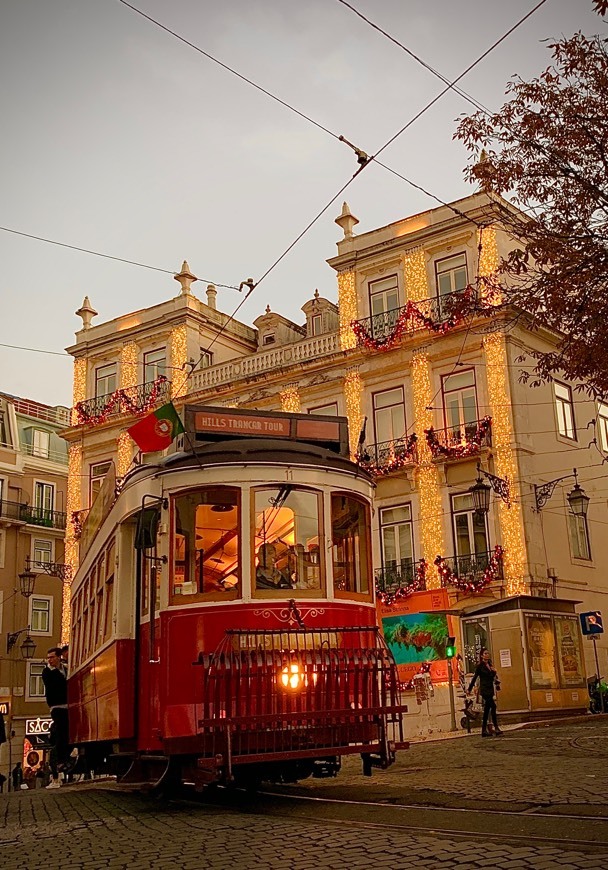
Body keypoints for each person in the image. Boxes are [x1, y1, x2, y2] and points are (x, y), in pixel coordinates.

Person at [42, 647, 69, 789]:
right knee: (62, 733)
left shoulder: (65, 669)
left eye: (52, 657)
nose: (50, 660)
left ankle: (63, 762)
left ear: (58, 657)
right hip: (57, 706)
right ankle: (59, 766)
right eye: (48, 658)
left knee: (65, 734)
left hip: (68, 706)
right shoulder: (47, 672)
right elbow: (56, 685)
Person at [468, 648, 503, 737]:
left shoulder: (490, 665)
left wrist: (495, 677)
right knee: (493, 706)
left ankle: (484, 730)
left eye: (488, 653)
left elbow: (493, 677)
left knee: (487, 710)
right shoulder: (480, 666)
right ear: (482, 655)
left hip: (490, 689)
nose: (487, 655)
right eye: (485, 653)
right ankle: (496, 727)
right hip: (485, 690)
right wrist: (469, 688)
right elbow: (475, 677)